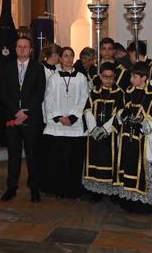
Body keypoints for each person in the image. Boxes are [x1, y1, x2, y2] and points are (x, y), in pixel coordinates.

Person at [114, 62, 152, 214]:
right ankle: (129, 199)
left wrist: (145, 123)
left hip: (145, 142)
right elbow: (119, 110)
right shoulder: (128, 92)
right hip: (127, 139)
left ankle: (145, 203)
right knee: (128, 167)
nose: (131, 79)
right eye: (131, 76)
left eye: (134, 76)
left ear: (144, 78)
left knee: (144, 170)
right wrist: (122, 115)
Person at [0, 36, 46, 203]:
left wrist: (27, 112)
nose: (22, 49)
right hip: (12, 117)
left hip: (31, 118)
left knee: (32, 155)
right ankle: (11, 187)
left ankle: (34, 188)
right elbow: (3, 93)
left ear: (31, 49)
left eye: (25, 47)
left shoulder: (38, 68)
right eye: (19, 46)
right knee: (13, 155)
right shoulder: (6, 68)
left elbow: (40, 93)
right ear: (15, 49)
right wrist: (16, 111)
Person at [42, 46, 88, 199]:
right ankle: (60, 189)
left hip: (75, 125)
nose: (68, 59)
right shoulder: (53, 78)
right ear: (60, 59)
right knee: (59, 160)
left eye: (71, 56)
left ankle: (74, 188)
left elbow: (84, 98)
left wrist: (73, 117)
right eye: (65, 56)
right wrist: (59, 117)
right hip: (58, 125)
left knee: (74, 160)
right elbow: (49, 99)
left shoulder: (81, 77)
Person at [82, 62, 124, 201]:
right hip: (94, 134)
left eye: (111, 77)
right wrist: (93, 128)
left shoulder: (119, 93)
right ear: (100, 76)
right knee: (95, 160)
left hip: (110, 134)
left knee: (110, 160)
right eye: (105, 77)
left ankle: (112, 191)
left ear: (115, 77)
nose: (108, 80)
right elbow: (87, 110)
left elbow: (118, 114)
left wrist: (105, 129)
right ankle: (96, 191)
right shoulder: (94, 92)